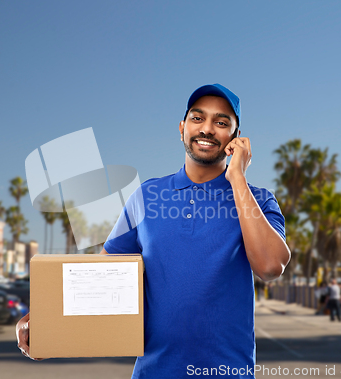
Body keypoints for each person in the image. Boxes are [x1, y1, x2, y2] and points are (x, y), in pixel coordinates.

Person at [16, 83, 291, 378]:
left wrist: (237, 178)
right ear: (182, 127)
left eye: (222, 122)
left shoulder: (258, 199)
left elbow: (270, 266)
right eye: (198, 118)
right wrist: (43, 322)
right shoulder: (146, 196)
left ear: (236, 138)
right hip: (154, 371)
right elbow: (101, 276)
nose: (208, 129)